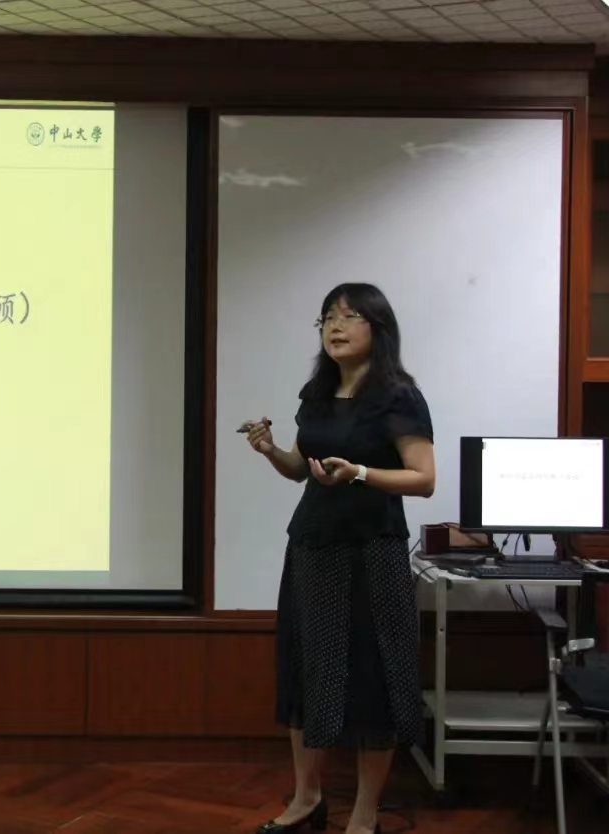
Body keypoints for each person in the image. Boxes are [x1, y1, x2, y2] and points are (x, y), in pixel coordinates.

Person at [246, 283, 436, 834]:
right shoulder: (318, 393)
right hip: (313, 545)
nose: (335, 325)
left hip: (372, 549)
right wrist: (271, 450)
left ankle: (365, 814)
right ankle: (307, 799)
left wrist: (360, 473)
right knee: (309, 668)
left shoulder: (398, 397)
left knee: (373, 676)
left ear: (378, 328)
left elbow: (423, 479)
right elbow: (303, 470)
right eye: (328, 317)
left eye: (350, 316)